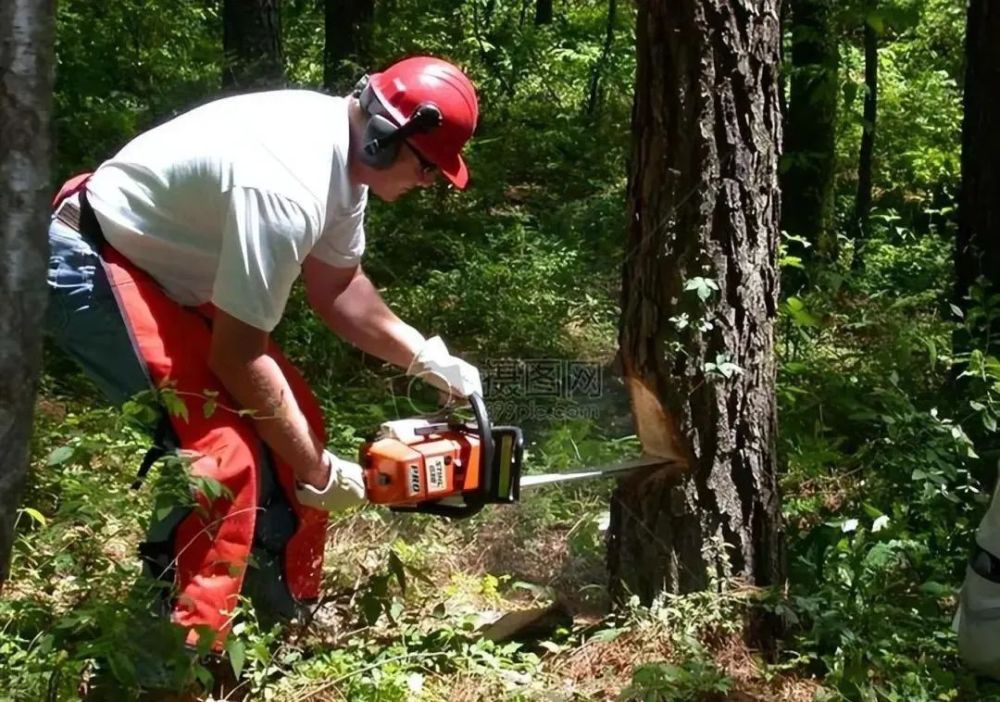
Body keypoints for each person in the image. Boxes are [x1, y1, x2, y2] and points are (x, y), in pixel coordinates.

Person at [45, 55, 483, 649]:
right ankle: (175, 661)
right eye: (428, 167)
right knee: (222, 462)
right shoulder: (288, 184)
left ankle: (276, 623)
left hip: (170, 275)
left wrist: (423, 355)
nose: (428, 182)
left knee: (298, 420)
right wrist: (319, 473)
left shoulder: (345, 166)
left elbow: (338, 289)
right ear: (385, 140)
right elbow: (239, 357)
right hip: (92, 258)